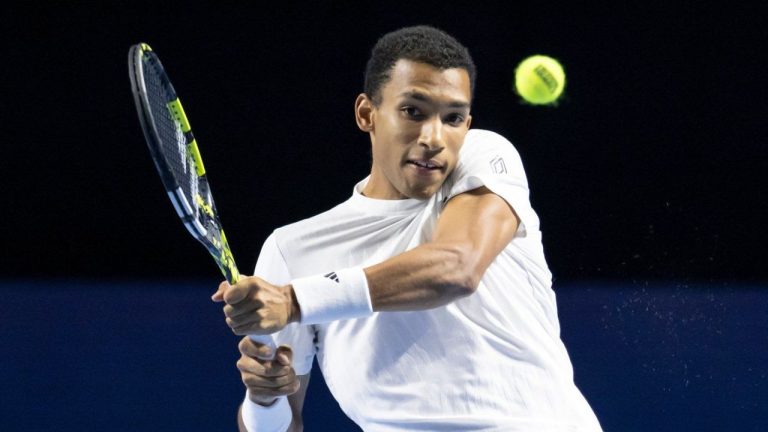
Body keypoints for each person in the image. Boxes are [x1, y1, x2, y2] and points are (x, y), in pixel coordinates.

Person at [212, 25, 602, 431]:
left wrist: (295, 300)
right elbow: (280, 422)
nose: (434, 137)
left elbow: (456, 269)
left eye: (453, 118)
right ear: (367, 114)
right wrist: (264, 398)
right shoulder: (292, 250)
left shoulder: (484, 158)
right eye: (413, 112)